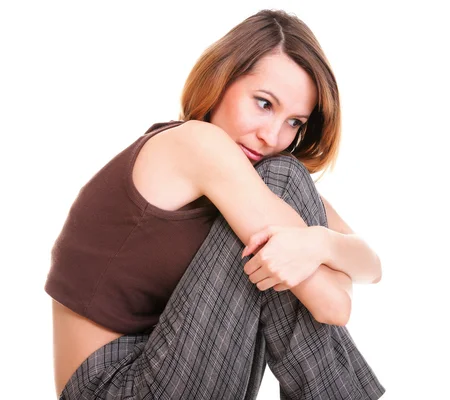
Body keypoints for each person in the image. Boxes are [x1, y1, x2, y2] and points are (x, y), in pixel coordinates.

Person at [45, 9, 385, 399]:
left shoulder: (249, 179)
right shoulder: (196, 146)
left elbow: (371, 264)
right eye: (263, 103)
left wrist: (321, 245)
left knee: (287, 191)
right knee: (287, 177)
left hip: (173, 363)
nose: (272, 135)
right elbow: (334, 306)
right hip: (115, 387)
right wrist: (320, 254)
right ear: (222, 80)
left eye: (294, 122)